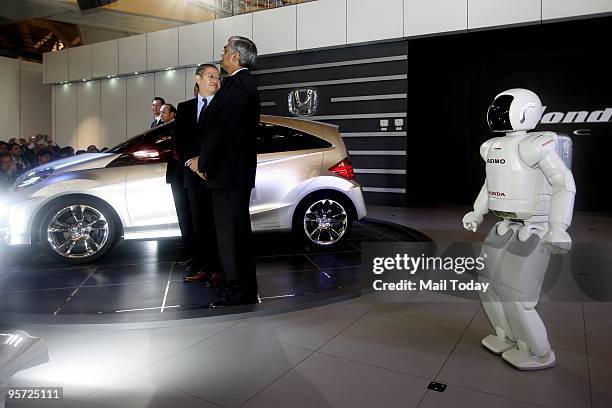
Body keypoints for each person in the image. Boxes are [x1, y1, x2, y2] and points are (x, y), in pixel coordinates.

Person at [189, 36, 261, 307]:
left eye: (226, 50)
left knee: (231, 236)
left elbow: (221, 131)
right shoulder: (242, 85)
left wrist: (203, 162)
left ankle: (238, 291)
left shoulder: (237, 86)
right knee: (235, 234)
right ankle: (241, 288)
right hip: (232, 174)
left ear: (235, 57)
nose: (222, 53)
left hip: (228, 175)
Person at [176, 64, 223, 284]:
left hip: (217, 175)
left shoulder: (224, 107)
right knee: (199, 226)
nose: (215, 80)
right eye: (210, 76)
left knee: (218, 224)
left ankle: (220, 270)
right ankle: (204, 267)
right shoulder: (184, 108)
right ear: (198, 78)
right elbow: (180, 142)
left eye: (218, 77)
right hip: (193, 176)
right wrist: (194, 165)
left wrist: (205, 164)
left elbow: (224, 141)